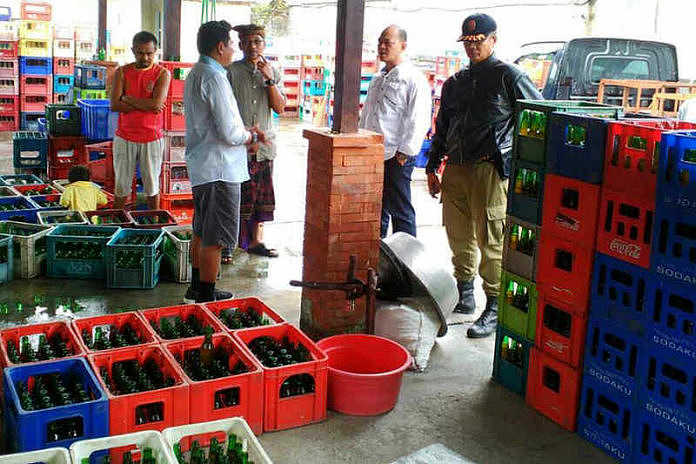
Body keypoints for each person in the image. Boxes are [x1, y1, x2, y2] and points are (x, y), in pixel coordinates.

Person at [426, 13, 542, 338]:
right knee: (458, 234)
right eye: (468, 42)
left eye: (479, 41)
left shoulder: (510, 77)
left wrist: (514, 161)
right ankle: (464, 296)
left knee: (492, 239)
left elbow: (540, 118)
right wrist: (432, 166)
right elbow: (443, 128)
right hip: (456, 168)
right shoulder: (455, 83)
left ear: (493, 39)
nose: (473, 47)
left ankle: (493, 306)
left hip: (490, 170)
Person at [183, 20, 267, 303]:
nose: (235, 49)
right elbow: (229, 132)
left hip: (205, 165)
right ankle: (206, 296)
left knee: (202, 230)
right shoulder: (215, 77)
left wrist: (243, 132)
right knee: (215, 238)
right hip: (219, 169)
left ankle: (196, 287)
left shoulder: (199, 72)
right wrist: (249, 137)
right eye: (232, 44)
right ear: (221, 47)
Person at [221, 23, 286, 264]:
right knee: (234, 196)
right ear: (240, 45)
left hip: (265, 146)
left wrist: (269, 80)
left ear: (264, 44)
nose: (252, 46)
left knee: (260, 198)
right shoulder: (231, 71)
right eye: (247, 42)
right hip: (238, 145)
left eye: (257, 41)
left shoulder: (273, 71)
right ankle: (230, 243)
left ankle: (255, 242)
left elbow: (279, 107)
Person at [359, 25, 432, 238]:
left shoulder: (413, 78)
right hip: (374, 153)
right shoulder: (378, 78)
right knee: (377, 207)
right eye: (380, 42)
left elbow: (419, 118)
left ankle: (405, 261)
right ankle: (380, 255)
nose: (382, 47)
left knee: (400, 209)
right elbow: (368, 115)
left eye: (387, 43)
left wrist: (406, 152)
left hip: (397, 155)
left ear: (403, 46)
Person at [110, 31, 171, 211]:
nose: (145, 57)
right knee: (121, 185)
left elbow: (156, 105)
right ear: (133, 50)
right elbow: (114, 105)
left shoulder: (162, 73)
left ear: (156, 51)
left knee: (152, 185)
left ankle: (154, 222)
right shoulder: (122, 72)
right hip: (124, 136)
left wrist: (127, 98)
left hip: (152, 137)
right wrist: (147, 104)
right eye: (140, 52)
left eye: (149, 53)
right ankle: (118, 221)